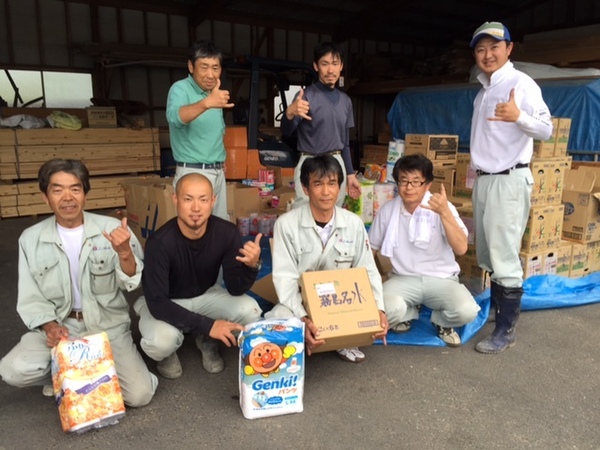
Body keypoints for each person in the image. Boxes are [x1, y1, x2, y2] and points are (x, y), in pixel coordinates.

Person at [0, 159, 157, 407]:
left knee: (139, 395)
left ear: (85, 194)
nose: (67, 197)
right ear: (45, 197)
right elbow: (32, 298)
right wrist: (49, 327)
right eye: (57, 189)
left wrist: (125, 253)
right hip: (62, 328)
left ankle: (86, 373)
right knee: (12, 370)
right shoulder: (30, 239)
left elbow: (133, 283)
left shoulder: (112, 229)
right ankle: (65, 374)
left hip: (108, 327)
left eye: (75, 189)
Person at [469, 21, 553, 353]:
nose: (487, 54)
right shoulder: (483, 91)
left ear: (509, 48)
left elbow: (546, 129)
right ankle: (497, 311)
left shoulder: (522, 84)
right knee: (488, 252)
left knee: (504, 255)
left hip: (509, 179)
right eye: (480, 49)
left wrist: (519, 116)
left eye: (494, 47)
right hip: (486, 180)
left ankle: (505, 330)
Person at [134, 173, 263, 379]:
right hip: (166, 300)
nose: (196, 208)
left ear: (213, 201)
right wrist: (209, 324)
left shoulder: (227, 233)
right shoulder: (159, 242)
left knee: (251, 311)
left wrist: (252, 265)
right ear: (175, 200)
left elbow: (235, 289)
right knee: (161, 342)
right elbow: (158, 302)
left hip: (205, 294)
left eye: (203, 199)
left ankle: (207, 339)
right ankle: (167, 354)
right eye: (188, 199)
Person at [266, 154, 388, 363]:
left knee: (390, 309)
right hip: (301, 301)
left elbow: (367, 269)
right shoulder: (286, 225)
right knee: (278, 318)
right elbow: (284, 278)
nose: (325, 192)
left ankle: (343, 340)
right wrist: (303, 317)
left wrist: (379, 309)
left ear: (339, 187)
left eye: (332, 184)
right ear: (306, 189)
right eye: (318, 184)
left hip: (340, 304)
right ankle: (308, 335)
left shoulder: (353, 223)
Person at [369, 154, 480, 347]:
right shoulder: (388, 210)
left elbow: (461, 248)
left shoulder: (443, 208)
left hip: (441, 278)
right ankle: (407, 312)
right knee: (382, 310)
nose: (409, 187)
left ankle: (441, 321)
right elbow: (370, 250)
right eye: (403, 181)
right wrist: (367, 287)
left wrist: (444, 213)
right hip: (402, 279)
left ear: (428, 184)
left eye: (415, 182)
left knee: (466, 311)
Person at [281, 42, 361, 208]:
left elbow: (345, 143)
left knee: (334, 214)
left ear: (341, 66)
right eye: (324, 64)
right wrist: (289, 112)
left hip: (336, 162)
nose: (330, 70)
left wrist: (351, 174)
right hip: (311, 161)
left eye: (334, 64)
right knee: (305, 214)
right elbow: (286, 131)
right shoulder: (306, 96)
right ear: (316, 66)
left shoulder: (346, 101)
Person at [166, 39, 233, 220]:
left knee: (219, 227)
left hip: (217, 172)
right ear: (191, 66)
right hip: (193, 172)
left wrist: (220, 158)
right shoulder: (180, 89)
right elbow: (175, 117)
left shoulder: (214, 95)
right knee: (195, 226)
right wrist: (206, 103)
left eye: (215, 68)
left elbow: (216, 132)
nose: (211, 74)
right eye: (204, 67)